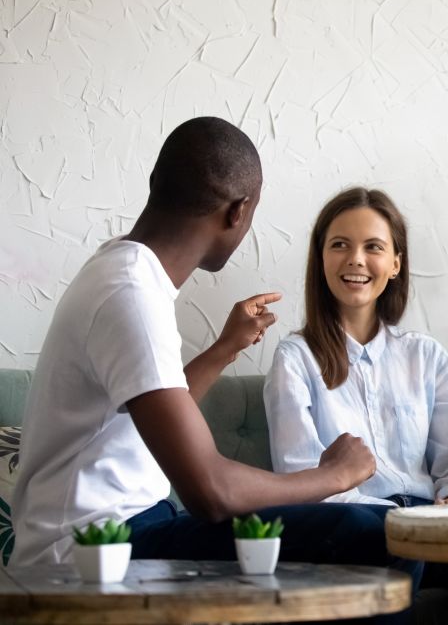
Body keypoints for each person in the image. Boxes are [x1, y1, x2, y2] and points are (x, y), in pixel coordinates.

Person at [12, 118, 417, 622]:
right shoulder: (130, 296)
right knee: (380, 533)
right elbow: (211, 492)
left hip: (125, 535)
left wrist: (226, 348)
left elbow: (140, 418)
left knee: (389, 534)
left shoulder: (123, 273)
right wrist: (331, 476)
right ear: (238, 211)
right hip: (93, 555)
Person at [263, 187, 448, 625]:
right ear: (320, 260)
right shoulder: (295, 358)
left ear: (395, 263)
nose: (355, 259)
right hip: (351, 528)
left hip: (432, 523)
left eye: (373, 247)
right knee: (399, 544)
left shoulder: (426, 356)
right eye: (339, 245)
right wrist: (399, 521)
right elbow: (300, 474)